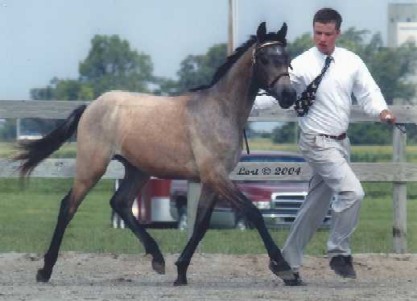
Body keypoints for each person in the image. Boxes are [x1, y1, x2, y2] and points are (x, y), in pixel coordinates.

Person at [278, 7, 396, 286]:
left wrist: (382, 111)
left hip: (341, 143)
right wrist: (244, 105)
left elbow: (369, 91)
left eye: (327, 33)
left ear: (337, 33)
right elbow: (277, 94)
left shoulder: (350, 61)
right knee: (353, 192)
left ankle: (287, 263)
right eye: (317, 32)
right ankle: (339, 253)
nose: (322, 38)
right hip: (316, 141)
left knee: (314, 208)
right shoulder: (302, 63)